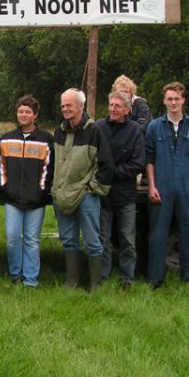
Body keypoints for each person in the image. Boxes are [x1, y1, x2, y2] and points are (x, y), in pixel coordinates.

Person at [52, 88, 114, 292]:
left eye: (69, 105)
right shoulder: (59, 130)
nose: (65, 109)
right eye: (63, 105)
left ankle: (96, 284)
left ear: (81, 106)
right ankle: (72, 281)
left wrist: (92, 188)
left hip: (85, 196)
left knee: (92, 242)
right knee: (68, 240)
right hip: (62, 195)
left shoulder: (94, 131)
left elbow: (106, 165)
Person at [145, 81, 189, 288]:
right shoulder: (155, 128)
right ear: (164, 101)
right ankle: (156, 278)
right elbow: (149, 159)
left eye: (177, 99)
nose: (173, 103)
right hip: (162, 187)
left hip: (187, 187)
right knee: (158, 234)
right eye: (169, 99)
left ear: (183, 100)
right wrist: (152, 186)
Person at [0, 95, 53, 288]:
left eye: (28, 111)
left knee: (32, 239)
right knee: (12, 237)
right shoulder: (6, 139)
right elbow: (1, 167)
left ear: (35, 115)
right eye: (20, 111)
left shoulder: (46, 139)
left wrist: (42, 192)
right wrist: (5, 189)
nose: (23, 114)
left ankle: (30, 279)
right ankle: (15, 275)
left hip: (36, 200)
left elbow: (49, 168)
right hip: (12, 198)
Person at [97, 91, 145, 290]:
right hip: (103, 192)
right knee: (103, 238)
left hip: (125, 193)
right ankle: (102, 276)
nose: (113, 109)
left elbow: (138, 162)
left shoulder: (135, 130)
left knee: (127, 238)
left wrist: (114, 172)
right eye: (111, 105)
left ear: (127, 110)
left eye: (117, 106)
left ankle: (127, 278)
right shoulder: (99, 127)